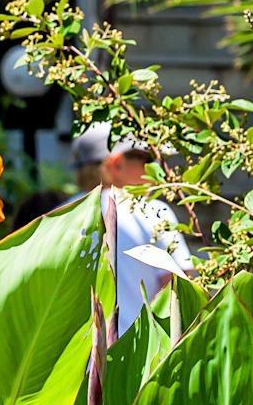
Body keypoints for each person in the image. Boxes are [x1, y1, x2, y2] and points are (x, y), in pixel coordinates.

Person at [69, 124, 193, 333]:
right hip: (143, 358)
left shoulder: (58, 216)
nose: (154, 169)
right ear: (116, 163)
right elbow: (180, 289)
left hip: (76, 363)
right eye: (146, 160)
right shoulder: (152, 212)